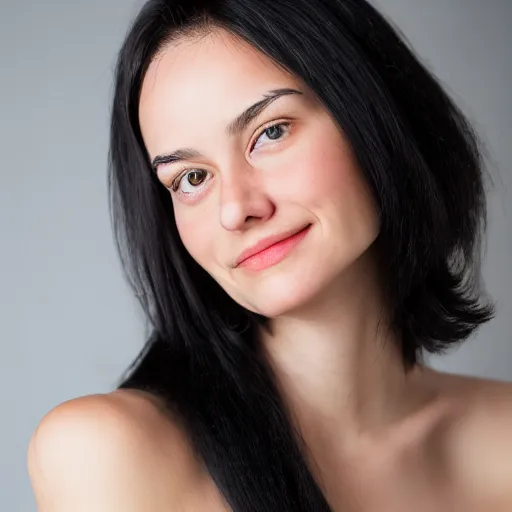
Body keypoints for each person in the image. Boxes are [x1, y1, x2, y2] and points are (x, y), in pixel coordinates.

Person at [27, 0, 512, 510]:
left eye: (271, 133)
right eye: (192, 178)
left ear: (376, 115)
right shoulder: (104, 454)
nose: (236, 209)